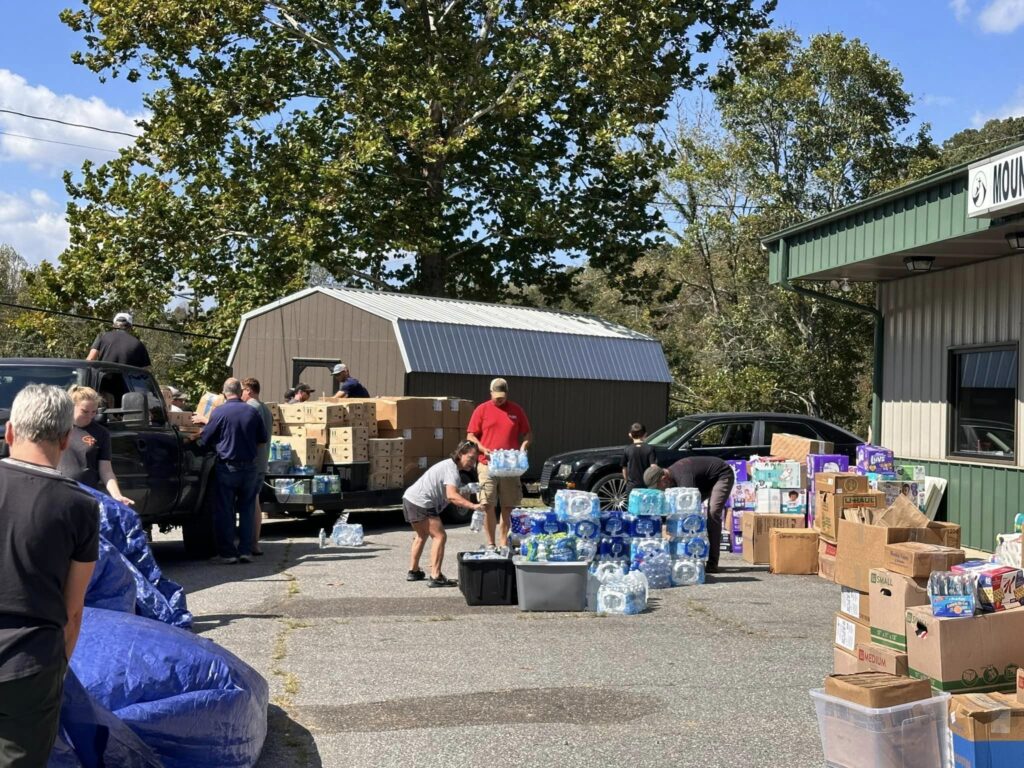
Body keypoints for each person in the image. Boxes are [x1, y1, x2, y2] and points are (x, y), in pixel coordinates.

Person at [0, 385, 98, 765]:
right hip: (29, 663)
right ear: (66, 439)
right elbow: (73, 611)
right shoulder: (80, 506)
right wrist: (58, 670)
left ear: (10, 431)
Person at [198, 378, 268, 564]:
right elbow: (262, 440)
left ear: (224, 392)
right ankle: (245, 550)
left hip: (227, 466)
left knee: (225, 510)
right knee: (247, 509)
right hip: (250, 467)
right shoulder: (252, 412)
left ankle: (228, 553)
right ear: (240, 390)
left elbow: (205, 439)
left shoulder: (219, 412)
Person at [402, 441, 484, 587]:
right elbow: (451, 496)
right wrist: (473, 506)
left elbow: (450, 493)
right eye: (470, 458)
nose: (473, 463)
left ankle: (413, 571)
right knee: (440, 536)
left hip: (410, 498)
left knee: (422, 535)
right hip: (421, 502)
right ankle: (435, 576)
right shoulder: (451, 470)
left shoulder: (449, 467)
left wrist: (466, 490)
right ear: (460, 455)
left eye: (475, 460)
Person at [466, 378, 532, 548]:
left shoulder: (516, 410)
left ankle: (503, 543)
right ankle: (490, 543)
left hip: (510, 466)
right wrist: (482, 448)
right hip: (487, 463)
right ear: (490, 393)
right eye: (496, 396)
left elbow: (527, 434)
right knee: (487, 503)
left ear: (507, 393)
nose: (499, 399)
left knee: (508, 505)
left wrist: (524, 446)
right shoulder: (482, 409)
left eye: (502, 396)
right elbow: (471, 435)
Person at [645, 456, 735, 574]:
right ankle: (689, 558)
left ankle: (712, 563)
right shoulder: (671, 479)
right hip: (703, 482)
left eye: (658, 486)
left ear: (663, 478)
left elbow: (690, 511)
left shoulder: (684, 478)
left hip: (721, 475)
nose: (659, 490)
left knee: (712, 513)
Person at [57, 385, 134, 506]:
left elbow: (106, 470)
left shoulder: (101, 433)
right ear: (72, 407)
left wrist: (117, 495)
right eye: (85, 411)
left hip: (86, 495)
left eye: (94, 412)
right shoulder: (57, 428)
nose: (90, 416)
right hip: (58, 492)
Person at [241, 377, 272, 556]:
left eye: (242, 391)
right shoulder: (266, 409)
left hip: (253, 462)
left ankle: (253, 543)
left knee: (252, 503)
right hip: (262, 461)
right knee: (255, 501)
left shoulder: (252, 408)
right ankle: (254, 542)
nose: (241, 395)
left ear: (249, 391)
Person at [86, 312, 151, 368]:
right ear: (130, 327)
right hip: (126, 382)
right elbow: (145, 370)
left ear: (114, 325)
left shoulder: (102, 336)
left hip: (103, 380)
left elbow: (90, 360)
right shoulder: (138, 344)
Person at [621, 422, 657, 492]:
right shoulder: (650, 448)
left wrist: (626, 480)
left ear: (630, 435)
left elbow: (624, 468)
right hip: (646, 485)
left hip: (632, 486)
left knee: (632, 503)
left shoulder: (627, 449)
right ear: (645, 434)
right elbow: (654, 467)